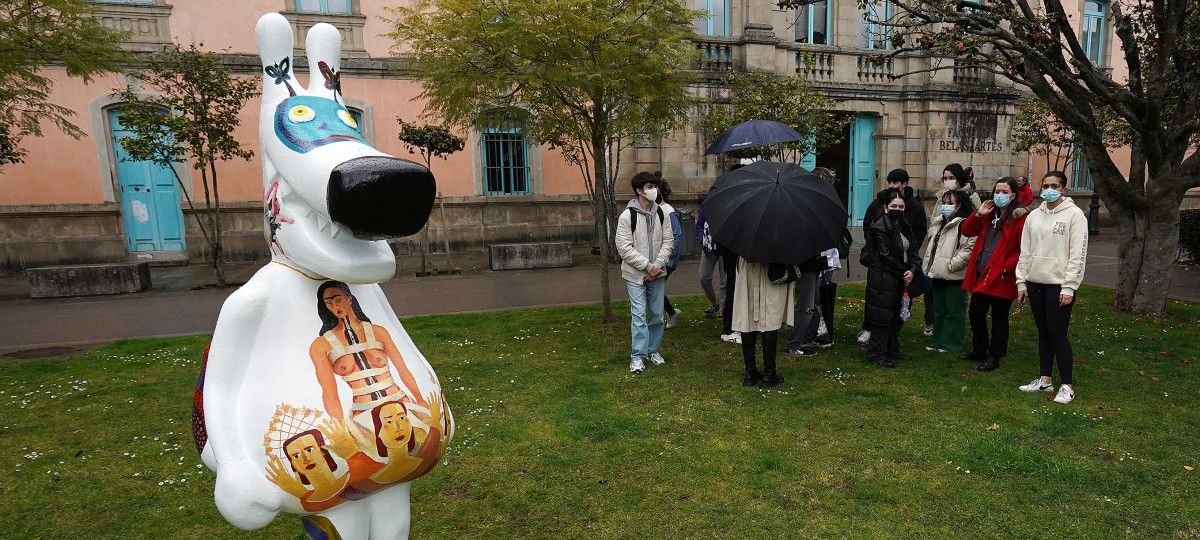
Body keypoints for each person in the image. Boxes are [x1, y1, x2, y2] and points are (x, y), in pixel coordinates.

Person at [309, 281, 430, 439]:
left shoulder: (378, 332)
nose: (334, 305)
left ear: (349, 299)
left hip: (399, 403)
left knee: (424, 441)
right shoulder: (320, 346)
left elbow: (402, 369)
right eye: (329, 302)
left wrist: (419, 398)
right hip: (363, 413)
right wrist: (340, 427)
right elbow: (329, 392)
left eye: (338, 299)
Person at [1015, 171, 1088, 404]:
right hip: (1036, 281)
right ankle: (1045, 380)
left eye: (1054, 185)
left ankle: (1066, 385)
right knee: (1043, 333)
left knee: (1058, 334)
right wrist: (1021, 281)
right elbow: (1024, 252)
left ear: (1063, 189)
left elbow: (1078, 254)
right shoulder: (1034, 216)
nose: (1048, 189)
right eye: (1045, 185)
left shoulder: (1075, 215)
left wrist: (1069, 287)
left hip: (1059, 284)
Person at [959, 177, 1028, 372]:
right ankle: (980, 349)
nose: (1000, 195)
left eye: (1005, 192)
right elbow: (967, 230)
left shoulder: (1019, 217)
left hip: (1002, 276)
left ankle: (995, 355)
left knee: (999, 318)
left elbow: (1024, 247)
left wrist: (1007, 267)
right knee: (976, 313)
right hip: (982, 273)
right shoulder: (988, 214)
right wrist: (978, 214)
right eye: (997, 191)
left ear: (1013, 195)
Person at [857, 169, 927, 345]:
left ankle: (893, 337)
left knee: (901, 300)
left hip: (904, 258)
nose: (891, 186)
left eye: (895, 183)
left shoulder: (915, 207)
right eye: (889, 182)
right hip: (882, 261)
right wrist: (873, 242)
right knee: (878, 299)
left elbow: (919, 230)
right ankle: (870, 329)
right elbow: (868, 224)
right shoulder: (878, 203)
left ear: (904, 184)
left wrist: (911, 249)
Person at [615, 171, 673, 374]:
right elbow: (624, 248)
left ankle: (653, 350)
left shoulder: (661, 213)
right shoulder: (627, 216)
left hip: (658, 273)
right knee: (638, 315)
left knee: (657, 315)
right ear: (639, 191)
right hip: (635, 274)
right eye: (649, 187)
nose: (653, 190)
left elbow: (668, 241)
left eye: (654, 187)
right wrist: (648, 266)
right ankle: (637, 356)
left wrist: (657, 265)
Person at [861, 189, 921, 368]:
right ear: (886, 207)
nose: (898, 209)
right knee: (882, 315)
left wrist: (912, 269)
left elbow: (913, 251)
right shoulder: (879, 226)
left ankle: (892, 349)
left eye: (901, 206)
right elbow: (885, 256)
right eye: (894, 206)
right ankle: (877, 353)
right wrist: (905, 272)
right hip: (883, 278)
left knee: (897, 314)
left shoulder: (904, 225)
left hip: (900, 277)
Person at [921, 190, 977, 353]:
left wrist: (952, 265)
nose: (945, 207)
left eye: (950, 203)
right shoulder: (939, 222)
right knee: (939, 310)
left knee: (954, 311)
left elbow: (968, 248)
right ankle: (938, 339)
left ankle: (952, 342)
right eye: (944, 203)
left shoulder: (963, 223)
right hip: (938, 273)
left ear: (959, 205)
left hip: (954, 275)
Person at [732, 257, 795, 387]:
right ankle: (768, 374)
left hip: (749, 265)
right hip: (771, 264)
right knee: (769, 317)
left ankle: (751, 373)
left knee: (748, 316)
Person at [657, 178, 684, 329]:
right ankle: (672, 313)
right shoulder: (655, 209)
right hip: (658, 258)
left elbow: (676, 237)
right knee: (655, 290)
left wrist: (669, 261)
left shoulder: (669, 211)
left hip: (666, 260)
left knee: (654, 290)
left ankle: (670, 314)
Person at [695, 201, 727, 318]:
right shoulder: (706, 208)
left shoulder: (729, 205)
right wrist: (701, 239)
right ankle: (714, 303)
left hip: (725, 247)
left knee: (725, 280)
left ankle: (723, 308)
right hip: (708, 247)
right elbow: (699, 225)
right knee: (704, 277)